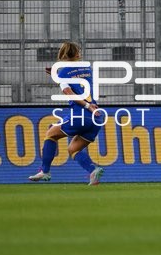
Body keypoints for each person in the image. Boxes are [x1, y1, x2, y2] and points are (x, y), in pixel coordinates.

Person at [29, 41, 105, 186]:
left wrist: (87, 105)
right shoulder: (87, 69)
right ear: (78, 54)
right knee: (73, 149)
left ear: (62, 54)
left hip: (81, 114)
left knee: (51, 134)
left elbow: (69, 92)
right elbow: (77, 79)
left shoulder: (63, 73)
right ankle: (93, 171)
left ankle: (45, 171)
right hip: (96, 117)